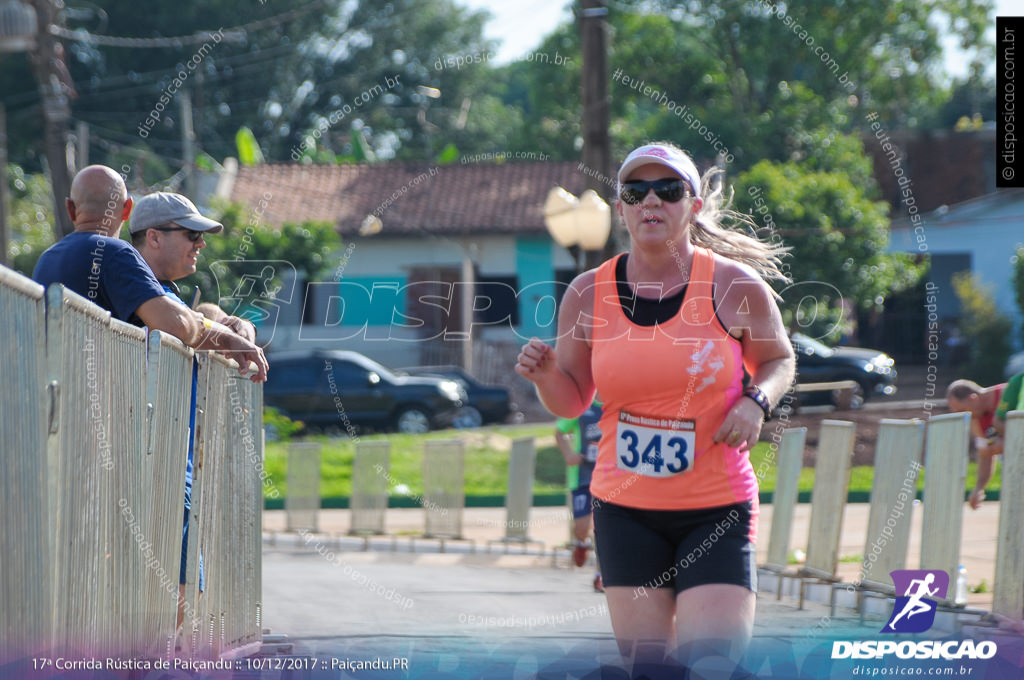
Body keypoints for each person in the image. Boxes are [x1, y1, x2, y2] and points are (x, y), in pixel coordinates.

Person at [516, 142, 795, 669]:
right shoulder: (585, 293)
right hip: (625, 512)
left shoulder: (734, 286)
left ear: (693, 205)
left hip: (715, 509)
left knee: (710, 664)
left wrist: (756, 402)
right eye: (634, 191)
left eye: (667, 191)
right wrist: (548, 376)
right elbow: (573, 402)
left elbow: (779, 360)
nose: (651, 202)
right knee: (648, 667)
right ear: (620, 208)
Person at [129, 190, 256, 634]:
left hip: (171, 464)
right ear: (153, 238)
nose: (201, 244)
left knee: (180, 592)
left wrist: (226, 321)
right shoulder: (136, 290)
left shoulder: (163, 293)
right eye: (191, 234)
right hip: (150, 462)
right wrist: (224, 332)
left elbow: (196, 314)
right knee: (178, 594)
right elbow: (183, 322)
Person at [32, 165, 268, 381]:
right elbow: (176, 323)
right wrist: (227, 337)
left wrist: (228, 327)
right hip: (98, 410)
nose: (201, 244)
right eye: (192, 235)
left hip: (49, 401)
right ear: (126, 210)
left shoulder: (46, 259)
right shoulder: (115, 253)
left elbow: (189, 314)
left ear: (70, 209)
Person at [555, 396, 604, 591]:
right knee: (582, 526)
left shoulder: (617, 406)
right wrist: (569, 454)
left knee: (602, 528)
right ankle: (581, 543)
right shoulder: (582, 407)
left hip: (608, 478)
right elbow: (559, 431)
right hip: (582, 477)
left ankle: (600, 575)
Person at [945, 379, 1006, 509]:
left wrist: (1007, 442)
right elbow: (985, 455)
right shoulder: (976, 420)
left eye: (962, 410)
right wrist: (979, 488)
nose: (964, 416)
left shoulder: (1006, 393)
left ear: (973, 398)